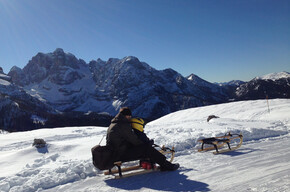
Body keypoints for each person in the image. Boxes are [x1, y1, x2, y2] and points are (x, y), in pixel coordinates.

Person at [106, 107, 179, 171]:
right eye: (129, 116)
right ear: (127, 116)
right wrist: (147, 144)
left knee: (143, 148)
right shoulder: (122, 125)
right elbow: (135, 140)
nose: (130, 118)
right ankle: (166, 165)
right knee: (146, 148)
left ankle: (151, 162)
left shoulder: (114, 124)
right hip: (120, 154)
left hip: (114, 153)